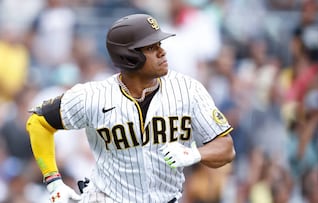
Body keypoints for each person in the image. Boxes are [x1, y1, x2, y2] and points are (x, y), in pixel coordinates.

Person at [26, 13, 235, 203]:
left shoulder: (188, 90)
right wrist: (53, 181)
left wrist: (194, 153)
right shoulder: (93, 96)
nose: (162, 52)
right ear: (129, 56)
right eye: (152, 47)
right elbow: (38, 122)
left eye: (160, 44)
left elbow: (226, 148)